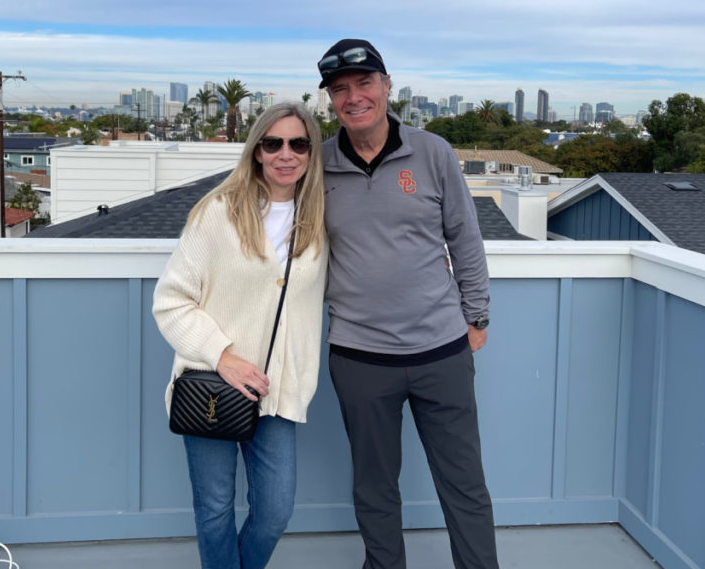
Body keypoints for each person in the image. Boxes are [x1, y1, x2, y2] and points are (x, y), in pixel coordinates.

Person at [317, 39, 500, 569]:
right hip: (359, 356)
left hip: (441, 351)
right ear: (330, 99)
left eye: (364, 83)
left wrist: (477, 316)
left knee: (464, 484)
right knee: (374, 487)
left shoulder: (432, 151)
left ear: (387, 85)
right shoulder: (316, 164)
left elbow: (465, 238)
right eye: (340, 89)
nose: (354, 97)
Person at [152, 101, 328, 569]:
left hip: (276, 393)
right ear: (256, 151)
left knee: (274, 511)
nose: (285, 154)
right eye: (273, 143)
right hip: (214, 386)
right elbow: (170, 301)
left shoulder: (320, 221)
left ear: (312, 152)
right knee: (214, 509)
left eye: (298, 144)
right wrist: (223, 356)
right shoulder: (219, 213)